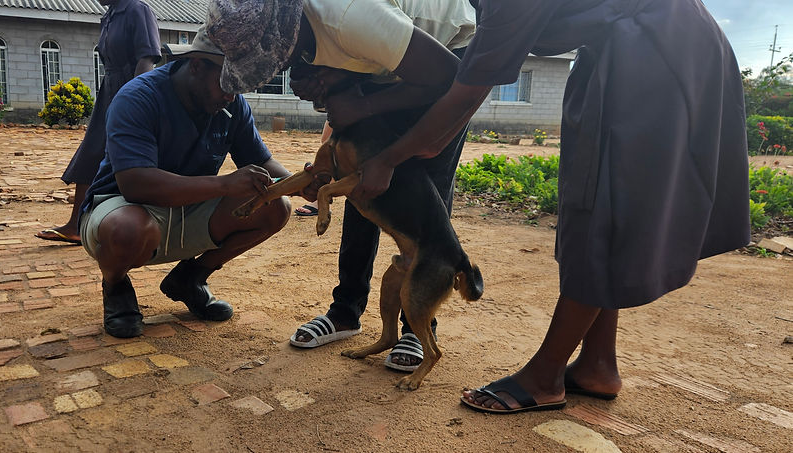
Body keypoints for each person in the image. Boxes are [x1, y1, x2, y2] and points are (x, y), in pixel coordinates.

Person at [344, 0, 750, 412]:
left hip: (653, 58)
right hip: (622, 52)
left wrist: (386, 158)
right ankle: (596, 364)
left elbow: (457, 105)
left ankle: (545, 375)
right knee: (588, 205)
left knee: (604, 211)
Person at [205, 0, 476, 372]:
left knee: (424, 181)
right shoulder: (319, 39)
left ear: (289, 39)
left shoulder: (350, 16)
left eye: (278, 65)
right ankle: (346, 310)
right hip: (388, 55)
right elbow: (344, 114)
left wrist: (382, 147)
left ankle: (418, 326)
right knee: (361, 189)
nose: (284, 73)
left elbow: (450, 76)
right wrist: (333, 151)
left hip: (447, 58)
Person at [79, 31, 294, 338]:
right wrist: (223, 185)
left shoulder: (230, 104)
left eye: (238, 88)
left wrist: (301, 182)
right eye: (226, 83)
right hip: (123, 208)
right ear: (195, 66)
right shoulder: (138, 97)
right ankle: (115, 286)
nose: (231, 96)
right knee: (129, 229)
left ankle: (191, 278)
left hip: (189, 210)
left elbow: (260, 160)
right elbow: (135, 184)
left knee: (276, 207)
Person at [37, 0, 161, 245]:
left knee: (123, 156)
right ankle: (76, 225)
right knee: (91, 153)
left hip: (130, 91)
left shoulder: (137, 10)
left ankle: (143, 222)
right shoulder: (111, 15)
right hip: (110, 90)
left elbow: (146, 59)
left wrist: (135, 101)